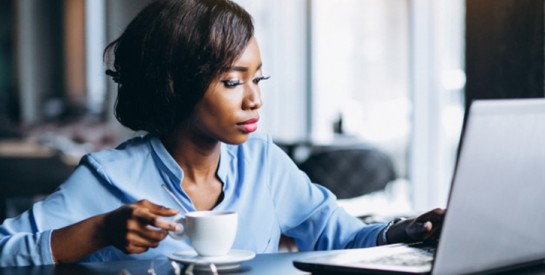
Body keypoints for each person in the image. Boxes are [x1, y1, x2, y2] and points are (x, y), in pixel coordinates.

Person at [0, 0, 444, 267]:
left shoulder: (263, 163)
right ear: (175, 84)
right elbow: (6, 250)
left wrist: (408, 230)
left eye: (258, 80)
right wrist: (99, 232)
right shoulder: (110, 176)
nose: (254, 100)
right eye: (233, 82)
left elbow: (342, 237)